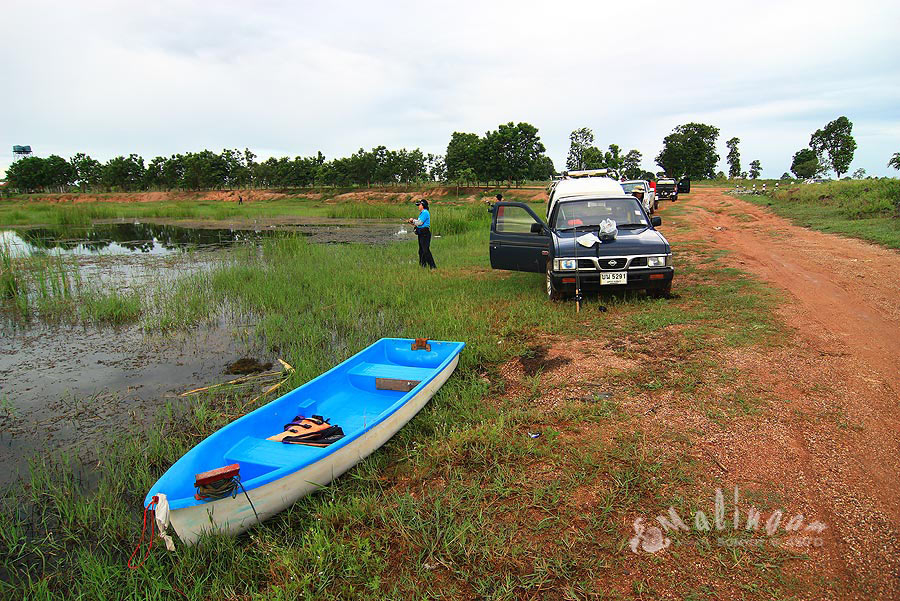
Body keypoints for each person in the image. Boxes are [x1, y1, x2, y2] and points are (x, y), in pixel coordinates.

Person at [407, 200, 436, 269]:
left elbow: (420, 223)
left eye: (419, 205)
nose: (418, 206)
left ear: (423, 205)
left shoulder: (425, 212)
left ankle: (433, 267)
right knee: (421, 251)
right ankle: (423, 266)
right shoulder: (422, 213)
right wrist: (412, 222)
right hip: (421, 234)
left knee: (426, 250)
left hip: (425, 234)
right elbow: (418, 223)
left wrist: (412, 220)